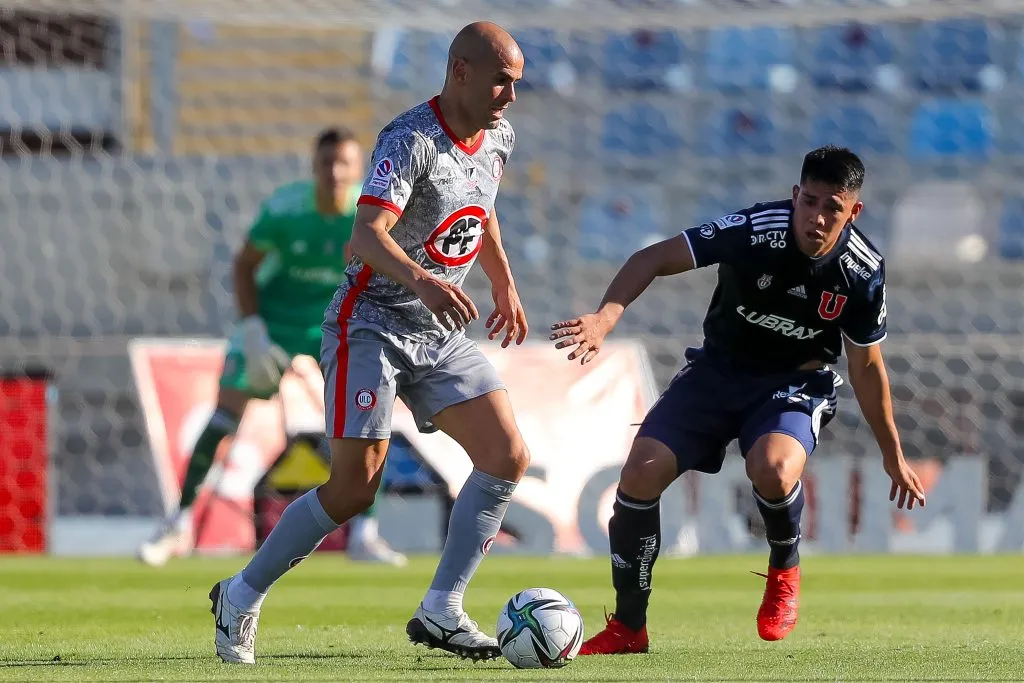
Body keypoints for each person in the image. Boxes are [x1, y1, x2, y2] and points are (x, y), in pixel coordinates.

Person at [208, 21, 531, 665]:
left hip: (435, 330)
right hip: (371, 324)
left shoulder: (499, 136)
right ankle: (240, 594)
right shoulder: (407, 139)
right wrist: (428, 283)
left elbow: (483, 207)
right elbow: (365, 236)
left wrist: (504, 285)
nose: (511, 96)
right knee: (355, 488)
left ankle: (442, 607)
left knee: (506, 455)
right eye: (501, 80)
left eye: (516, 83)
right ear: (459, 70)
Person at [550, 146, 928, 653]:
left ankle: (784, 568)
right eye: (809, 201)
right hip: (718, 371)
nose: (816, 218)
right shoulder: (755, 229)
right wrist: (603, 319)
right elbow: (655, 256)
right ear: (796, 195)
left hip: (791, 385)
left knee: (772, 469)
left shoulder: (862, 272)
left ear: (853, 211)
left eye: (831, 208)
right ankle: (628, 627)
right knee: (640, 472)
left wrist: (892, 454)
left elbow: (866, 365)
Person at [138, 128, 407, 569]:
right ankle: (177, 523)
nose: (335, 173)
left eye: (344, 164)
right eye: (327, 163)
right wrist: (251, 327)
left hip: (334, 324)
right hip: (274, 323)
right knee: (225, 414)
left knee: (363, 417)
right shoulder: (285, 210)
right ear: (314, 166)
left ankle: (365, 534)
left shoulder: (371, 214)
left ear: (359, 171)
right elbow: (245, 263)